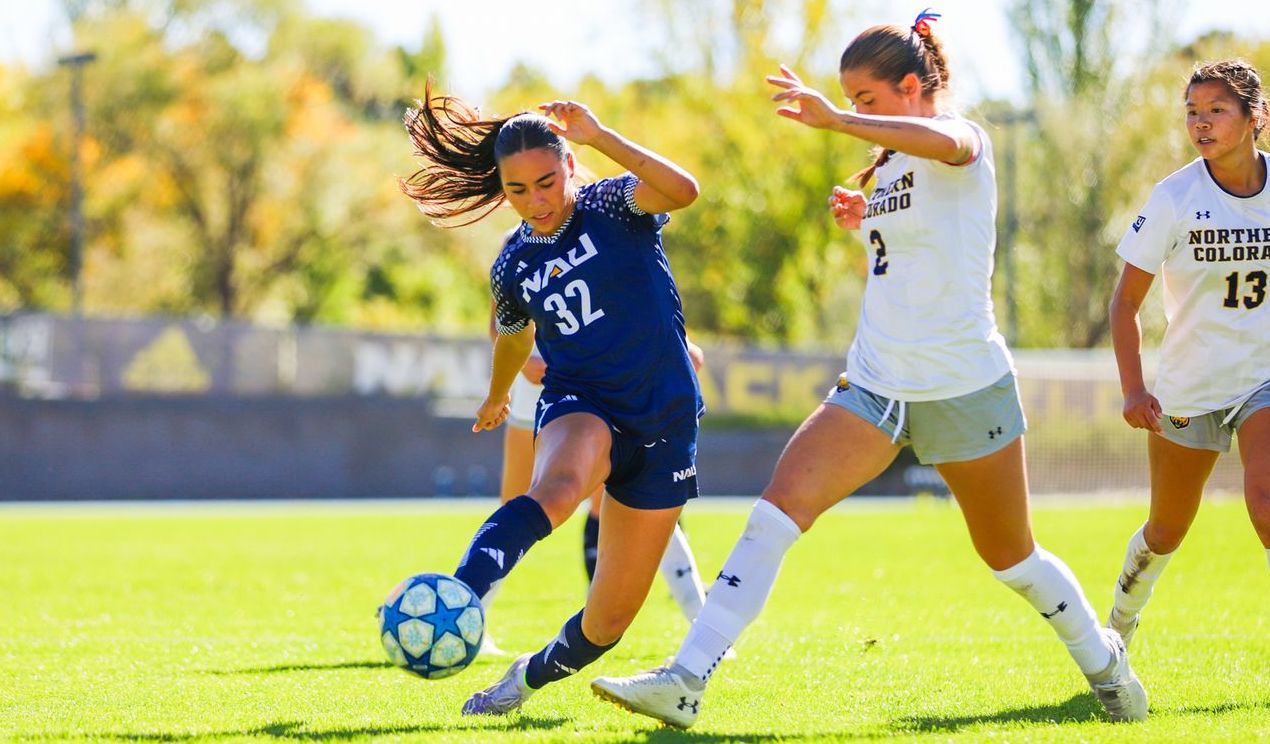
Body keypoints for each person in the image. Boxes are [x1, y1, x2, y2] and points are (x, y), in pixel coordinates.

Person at [591, 10, 1147, 728]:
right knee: (774, 515)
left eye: (867, 99)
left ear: (913, 86)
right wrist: (866, 220)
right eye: (851, 101)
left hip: (963, 384)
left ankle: (1105, 665)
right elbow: (909, 261)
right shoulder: (886, 162)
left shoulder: (962, 137)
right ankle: (686, 680)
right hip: (876, 383)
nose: (856, 112)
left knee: (1012, 558)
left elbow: (941, 141)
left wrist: (837, 123)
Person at [399, 82, 704, 715]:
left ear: (569, 164)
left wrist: (602, 136)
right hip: (583, 400)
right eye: (517, 190)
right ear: (501, 190)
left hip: (668, 420)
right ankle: (463, 594)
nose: (535, 201)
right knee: (557, 491)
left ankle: (522, 680)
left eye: (546, 181)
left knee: (607, 623)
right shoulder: (512, 265)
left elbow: (685, 190)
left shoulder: (615, 204)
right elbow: (511, 336)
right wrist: (496, 393)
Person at [1103, 58, 1270, 702]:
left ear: (1256, 118)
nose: (1200, 123)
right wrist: (1134, 388)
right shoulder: (1174, 198)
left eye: (1216, 111)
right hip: (1189, 389)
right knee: (1166, 529)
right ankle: (1115, 629)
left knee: (1267, 503)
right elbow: (1124, 303)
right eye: (1192, 112)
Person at [480, 312, 710, 654]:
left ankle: (703, 626)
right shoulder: (517, 256)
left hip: (603, 383)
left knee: (636, 498)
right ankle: (470, 615)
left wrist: (682, 346)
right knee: (517, 506)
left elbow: (650, 302)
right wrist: (524, 359)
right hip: (539, 386)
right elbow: (500, 319)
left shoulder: (630, 254)